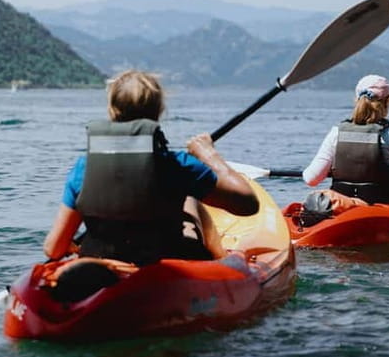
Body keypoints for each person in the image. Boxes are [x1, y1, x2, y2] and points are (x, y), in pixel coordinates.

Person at [43, 70, 258, 264]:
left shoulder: (84, 168)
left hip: (102, 268)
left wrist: (72, 245)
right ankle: (221, 260)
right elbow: (248, 204)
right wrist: (208, 154)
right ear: (159, 111)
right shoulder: (178, 166)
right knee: (191, 197)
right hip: (165, 269)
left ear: (111, 111)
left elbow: (53, 250)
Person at [301, 74, 389, 206]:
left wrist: (332, 169)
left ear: (356, 100)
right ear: (388, 101)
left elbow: (311, 179)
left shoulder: (336, 133)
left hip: (344, 206)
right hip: (385, 206)